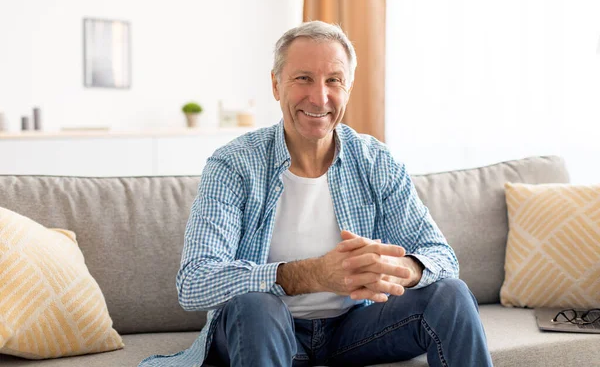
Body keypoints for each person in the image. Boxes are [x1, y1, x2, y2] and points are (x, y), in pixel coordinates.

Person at [139, 21, 493, 367]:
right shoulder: (233, 164)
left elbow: (443, 257)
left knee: (452, 294)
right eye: (303, 78)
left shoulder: (376, 161)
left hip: (354, 330)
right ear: (276, 84)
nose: (319, 96)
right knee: (257, 306)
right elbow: (195, 281)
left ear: (348, 89)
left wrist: (402, 268)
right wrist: (311, 275)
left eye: (333, 80)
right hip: (265, 328)